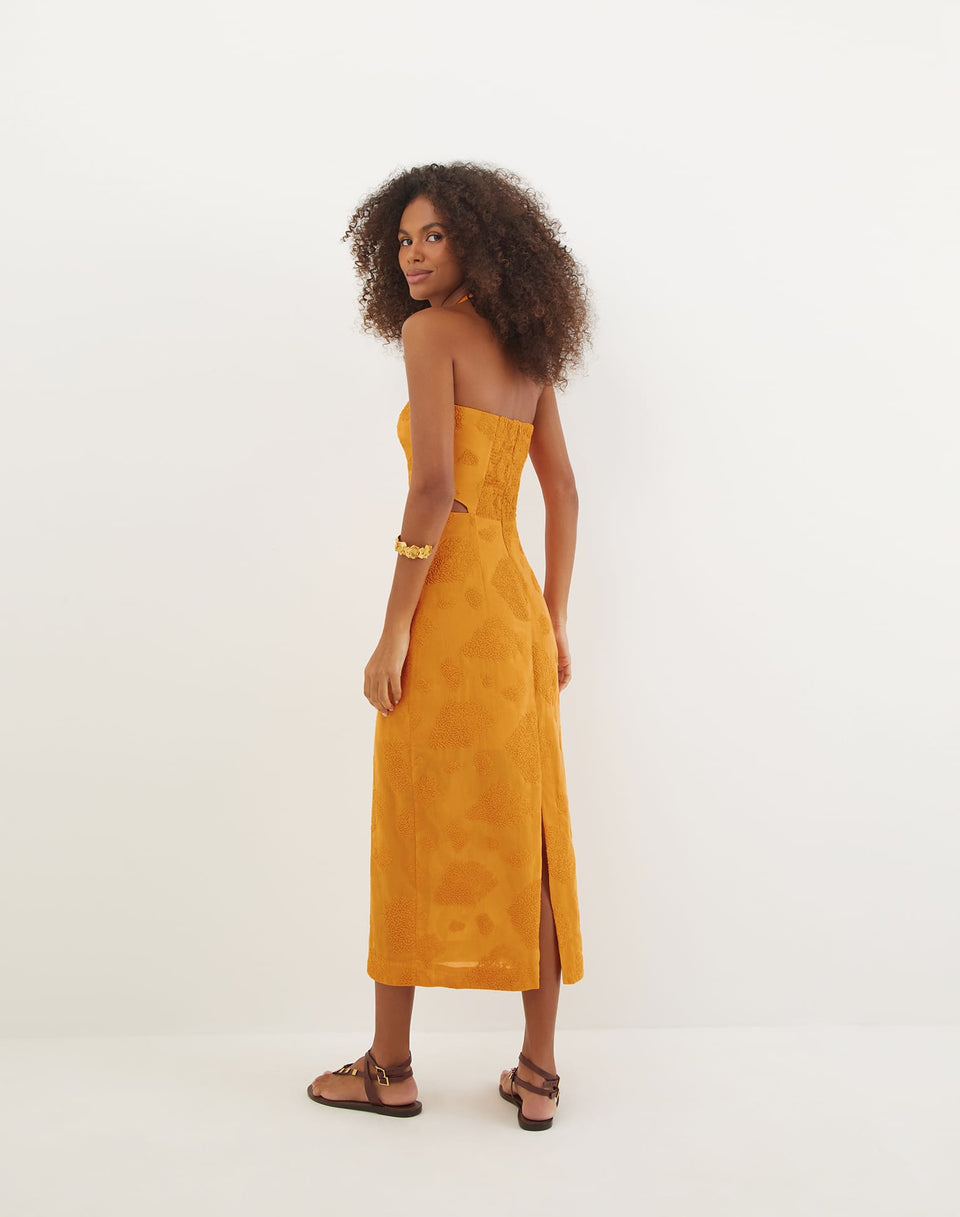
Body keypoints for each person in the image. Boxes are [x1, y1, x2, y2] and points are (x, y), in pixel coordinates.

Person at [307, 161, 592, 1130]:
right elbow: (564, 491)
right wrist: (554, 614)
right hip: (515, 613)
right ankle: (539, 1073)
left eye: (433, 235)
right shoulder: (528, 346)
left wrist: (394, 627)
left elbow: (432, 488)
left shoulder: (429, 335)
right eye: (402, 239)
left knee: (410, 818)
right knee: (533, 829)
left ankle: (389, 1066)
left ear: (479, 240)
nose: (413, 255)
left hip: (450, 612)